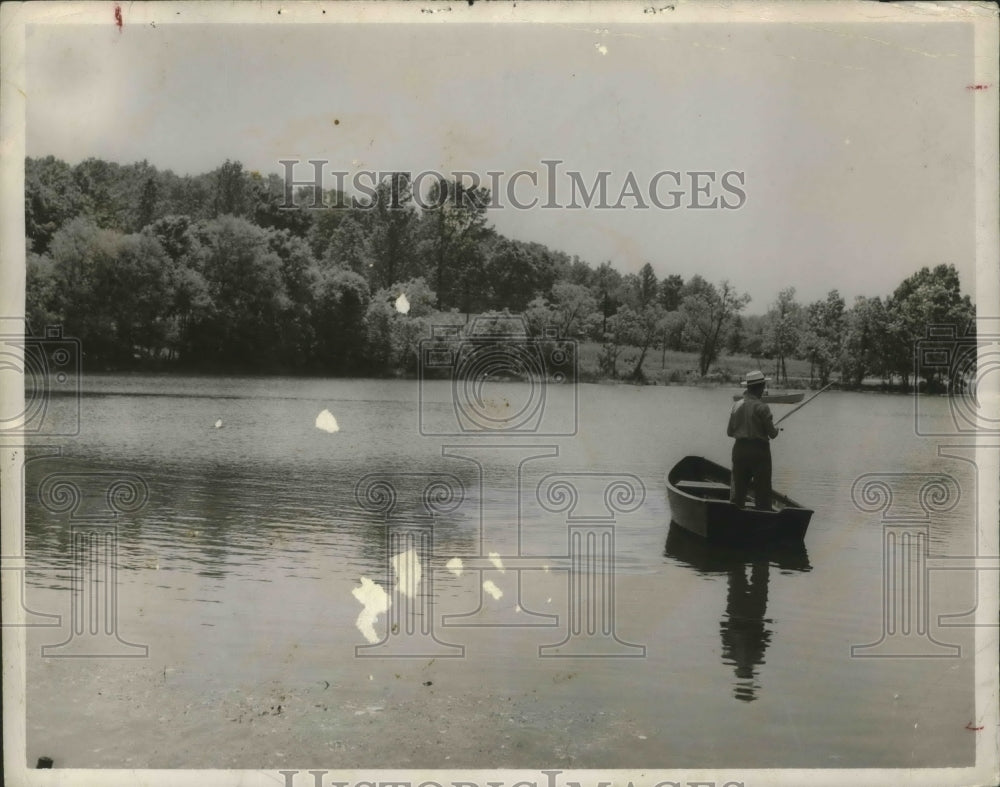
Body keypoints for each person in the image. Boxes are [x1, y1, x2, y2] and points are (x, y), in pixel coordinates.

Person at [727, 370, 779, 510]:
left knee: (738, 492)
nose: (763, 390)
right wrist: (776, 429)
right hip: (759, 451)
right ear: (761, 387)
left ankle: (734, 519)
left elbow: (729, 432)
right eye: (763, 387)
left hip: (740, 450)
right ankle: (762, 520)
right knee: (763, 493)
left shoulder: (735, 406)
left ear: (748, 387)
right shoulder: (762, 407)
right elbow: (772, 434)